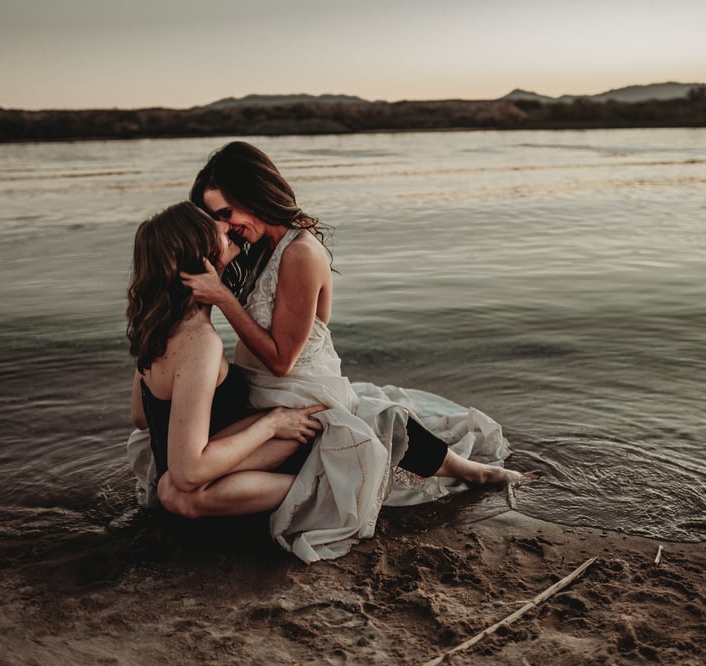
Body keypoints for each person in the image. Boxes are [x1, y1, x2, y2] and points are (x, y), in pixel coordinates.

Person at [172, 141, 528, 562]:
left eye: (226, 213)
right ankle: (454, 469)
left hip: (299, 394)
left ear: (254, 195)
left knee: (368, 424)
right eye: (215, 218)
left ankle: (470, 471)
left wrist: (223, 299)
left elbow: (283, 360)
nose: (224, 227)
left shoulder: (300, 253)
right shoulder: (257, 251)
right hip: (260, 394)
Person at [125, 201, 326, 519]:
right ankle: (328, 493)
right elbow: (189, 472)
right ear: (200, 254)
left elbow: (141, 416)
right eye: (212, 225)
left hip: (218, 472)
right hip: (207, 485)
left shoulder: (157, 328)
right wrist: (270, 425)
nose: (224, 226)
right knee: (177, 489)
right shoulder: (199, 342)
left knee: (173, 488)